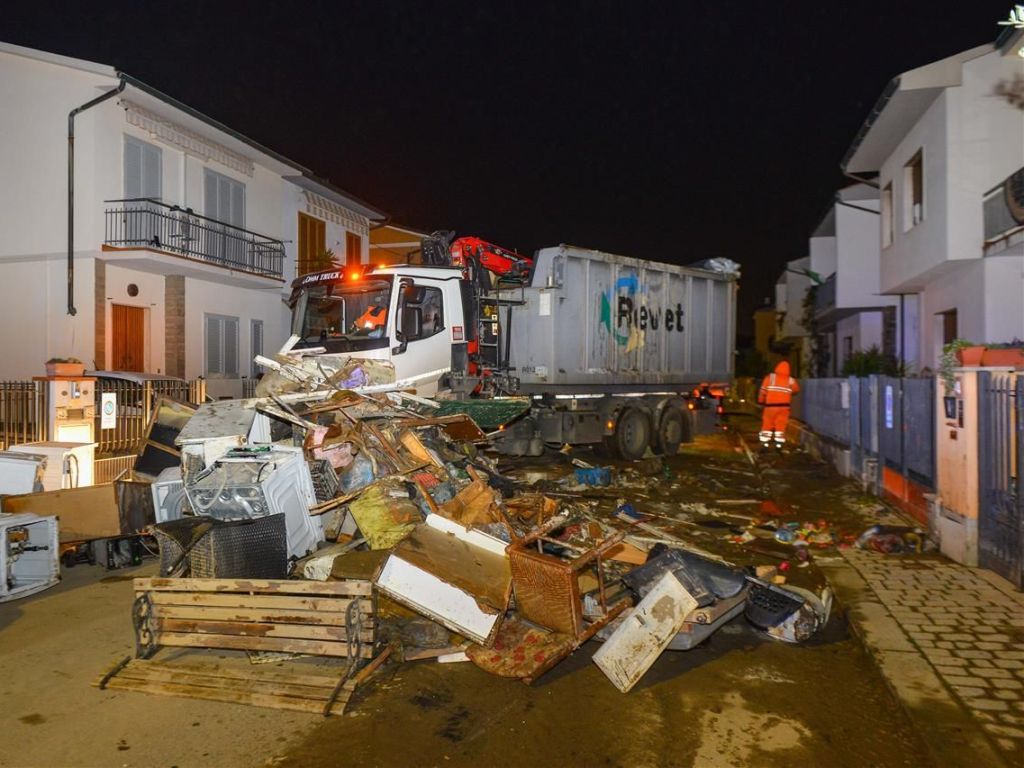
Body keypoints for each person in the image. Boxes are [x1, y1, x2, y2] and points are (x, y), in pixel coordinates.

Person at [758, 360, 799, 449]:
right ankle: (779, 443)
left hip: (770, 407)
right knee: (781, 423)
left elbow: (762, 391)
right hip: (784, 407)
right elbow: (796, 390)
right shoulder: (791, 380)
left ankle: (765, 442)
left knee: (768, 422)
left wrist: (761, 401)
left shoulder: (770, 378)